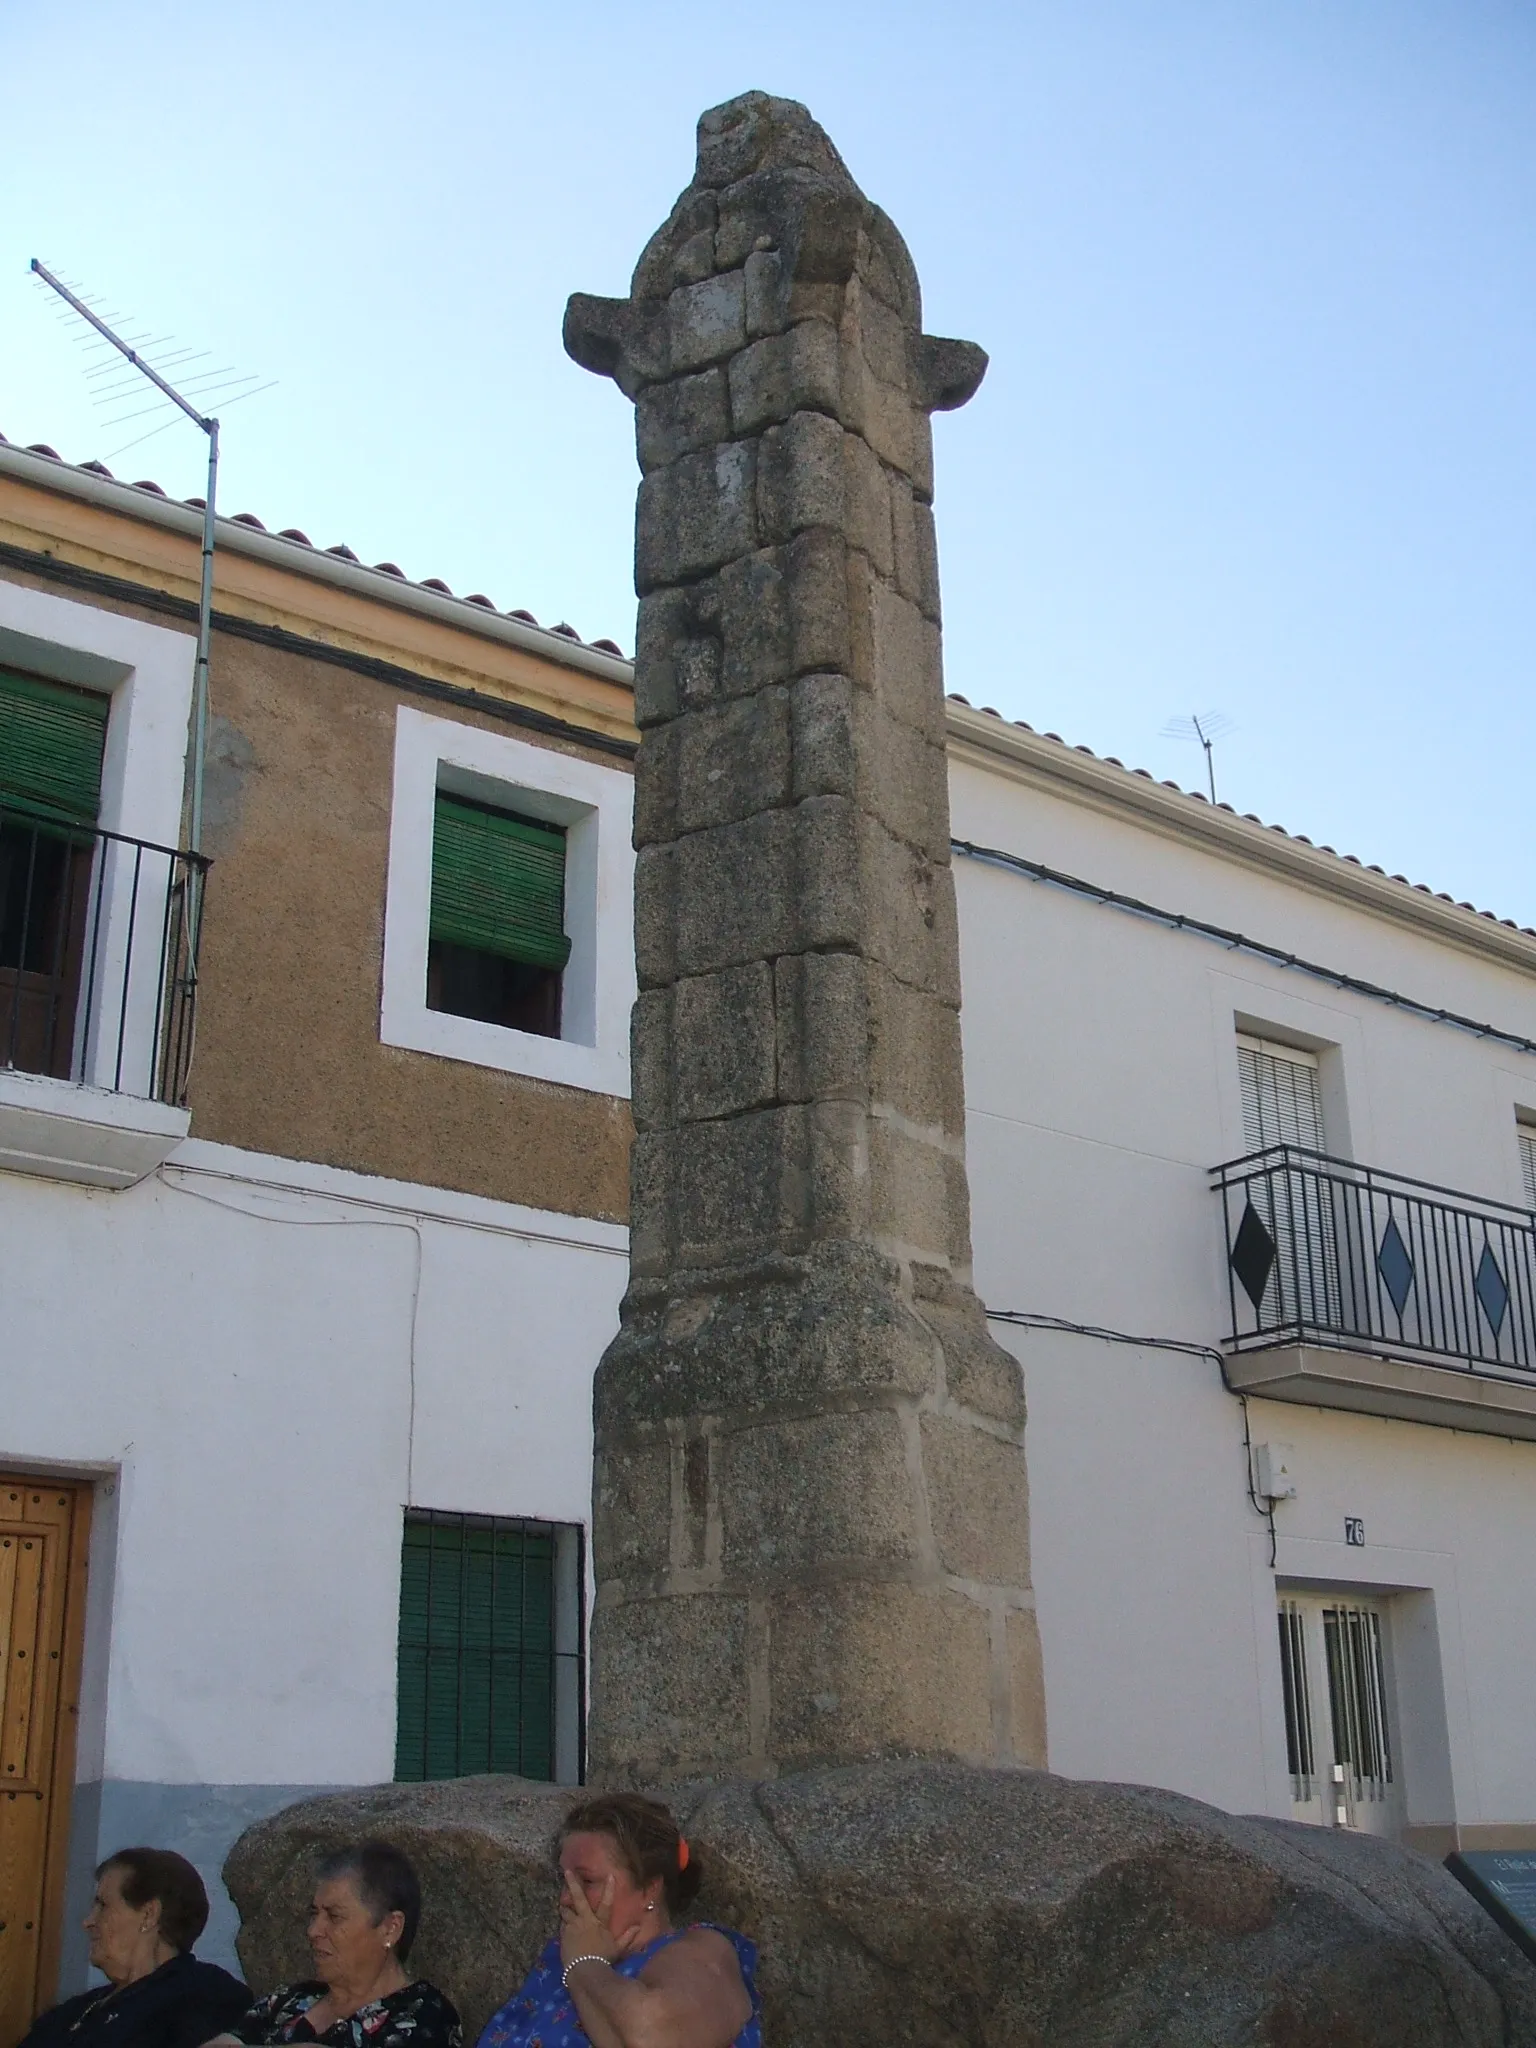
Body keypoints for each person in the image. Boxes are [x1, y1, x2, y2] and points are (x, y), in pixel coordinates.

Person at [477, 1794, 760, 2048]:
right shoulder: (555, 1964)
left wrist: (585, 1964)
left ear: (649, 1888)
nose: (565, 1899)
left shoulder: (702, 1951)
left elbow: (652, 2039)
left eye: (587, 1881)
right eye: (563, 1882)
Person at [212, 1842, 460, 2048]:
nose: (313, 1931)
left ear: (390, 1928)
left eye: (334, 1916)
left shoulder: (426, 2018)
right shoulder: (289, 2000)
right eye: (314, 1914)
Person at [20, 1847, 249, 2048]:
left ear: (149, 1915)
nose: (88, 1921)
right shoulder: (76, 2010)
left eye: (103, 1905)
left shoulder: (205, 1995)